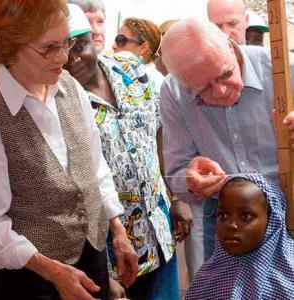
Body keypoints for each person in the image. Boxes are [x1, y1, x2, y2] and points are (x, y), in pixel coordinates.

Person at [0, 1, 138, 299]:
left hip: (93, 257)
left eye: (66, 43)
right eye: (49, 47)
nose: (64, 57)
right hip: (31, 277)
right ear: (10, 46)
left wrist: (118, 231)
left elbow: (96, 168)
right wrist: (52, 270)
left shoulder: (70, 87)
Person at [64, 4, 192, 300]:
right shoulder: (61, 102)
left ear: (93, 39)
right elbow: (77, 190)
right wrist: (102, 272)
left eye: (80, 46)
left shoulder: (131, 70)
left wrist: (174, 196)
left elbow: (158, 133)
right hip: (113, 256)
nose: (72, 59)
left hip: (160, 237)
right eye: (63, 49)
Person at [160, 18, 294, 261]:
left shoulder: (284, 68)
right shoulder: (173, 91)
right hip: (226, 218)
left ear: (230, 47)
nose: (221, 91)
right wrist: (191, 182)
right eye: (203, 90)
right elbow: (177, 172)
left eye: (225, 74)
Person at [185, 173, 294, 299]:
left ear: (271, 220)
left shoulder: (288, 282)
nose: (231, 225)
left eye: (246, 216)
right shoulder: (207, 278)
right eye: (223, 215)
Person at [112, 17, 164, 91]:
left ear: (143, 48)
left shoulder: (156, 83)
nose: (113, 46)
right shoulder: (120, 75)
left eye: (121, 40)